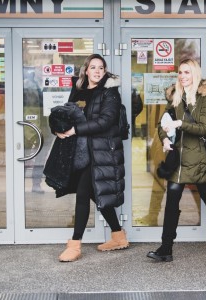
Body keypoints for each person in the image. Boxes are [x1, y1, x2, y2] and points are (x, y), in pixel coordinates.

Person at [147, 59, 206, 262]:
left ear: (195, 74)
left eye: (187, 72)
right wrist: (165, 139)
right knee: (172, 202)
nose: (183, 76)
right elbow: (162, 124)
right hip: (178, 158)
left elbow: (205, 128)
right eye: (180, 72)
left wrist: (180, 123)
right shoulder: (175, 95)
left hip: (200, 159)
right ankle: (166, 248)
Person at [55, 54, 128, 262]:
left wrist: (74, 130)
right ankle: (118, 235)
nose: (97, 71)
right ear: (86, 70)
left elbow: (105, 121)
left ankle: (75, 244)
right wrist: (59, 129)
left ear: (104, 71)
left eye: (101, 68)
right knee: (96, 194)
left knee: (82, 192)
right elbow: (67, 114)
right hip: (80, 151)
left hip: (101, 151)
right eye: (93, 67)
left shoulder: (110, 93)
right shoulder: (78, 90)